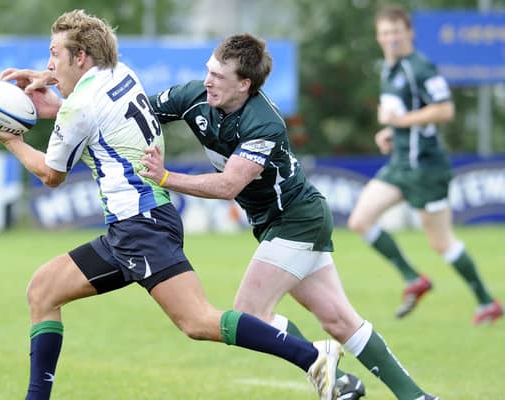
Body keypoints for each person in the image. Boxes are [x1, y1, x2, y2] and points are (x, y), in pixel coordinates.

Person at [0, 10, 345, 400]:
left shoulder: (78, 108)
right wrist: (51, 84)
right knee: (43, 290)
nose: (48, 64)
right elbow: (89, 103)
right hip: (131, 228)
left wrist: (11, 139)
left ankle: (312, 357)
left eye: (54, 54)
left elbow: (51, 176)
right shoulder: (121, 72)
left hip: (142, 227)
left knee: (198, 321)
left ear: (82, 56)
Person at [139, 33, 440, 400]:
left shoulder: (263, 122)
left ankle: (320, 360)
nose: (208, 81)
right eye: (209, 71)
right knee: (339, 320)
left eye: (219, 76)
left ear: (244, 84)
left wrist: (167, 178)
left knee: (249, 313)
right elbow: (134, 110)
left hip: (297, 219)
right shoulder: (194, 96)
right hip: (279, 223)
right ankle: (411, 395)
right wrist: (65, 109)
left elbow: (228, 186)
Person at [347, 5, 503, 324]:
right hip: (401, 164)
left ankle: (487, 302)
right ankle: (412, 278)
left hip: (427, 168)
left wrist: (401, 120)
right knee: (360, 219)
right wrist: (392, 131)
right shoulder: (389, 70)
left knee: (441, 242)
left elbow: (445, 110)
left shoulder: (420, 67)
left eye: (396, 31)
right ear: (378, 37)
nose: (390, 38)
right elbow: (408, 117)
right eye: (385, 33)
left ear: (409, 33)